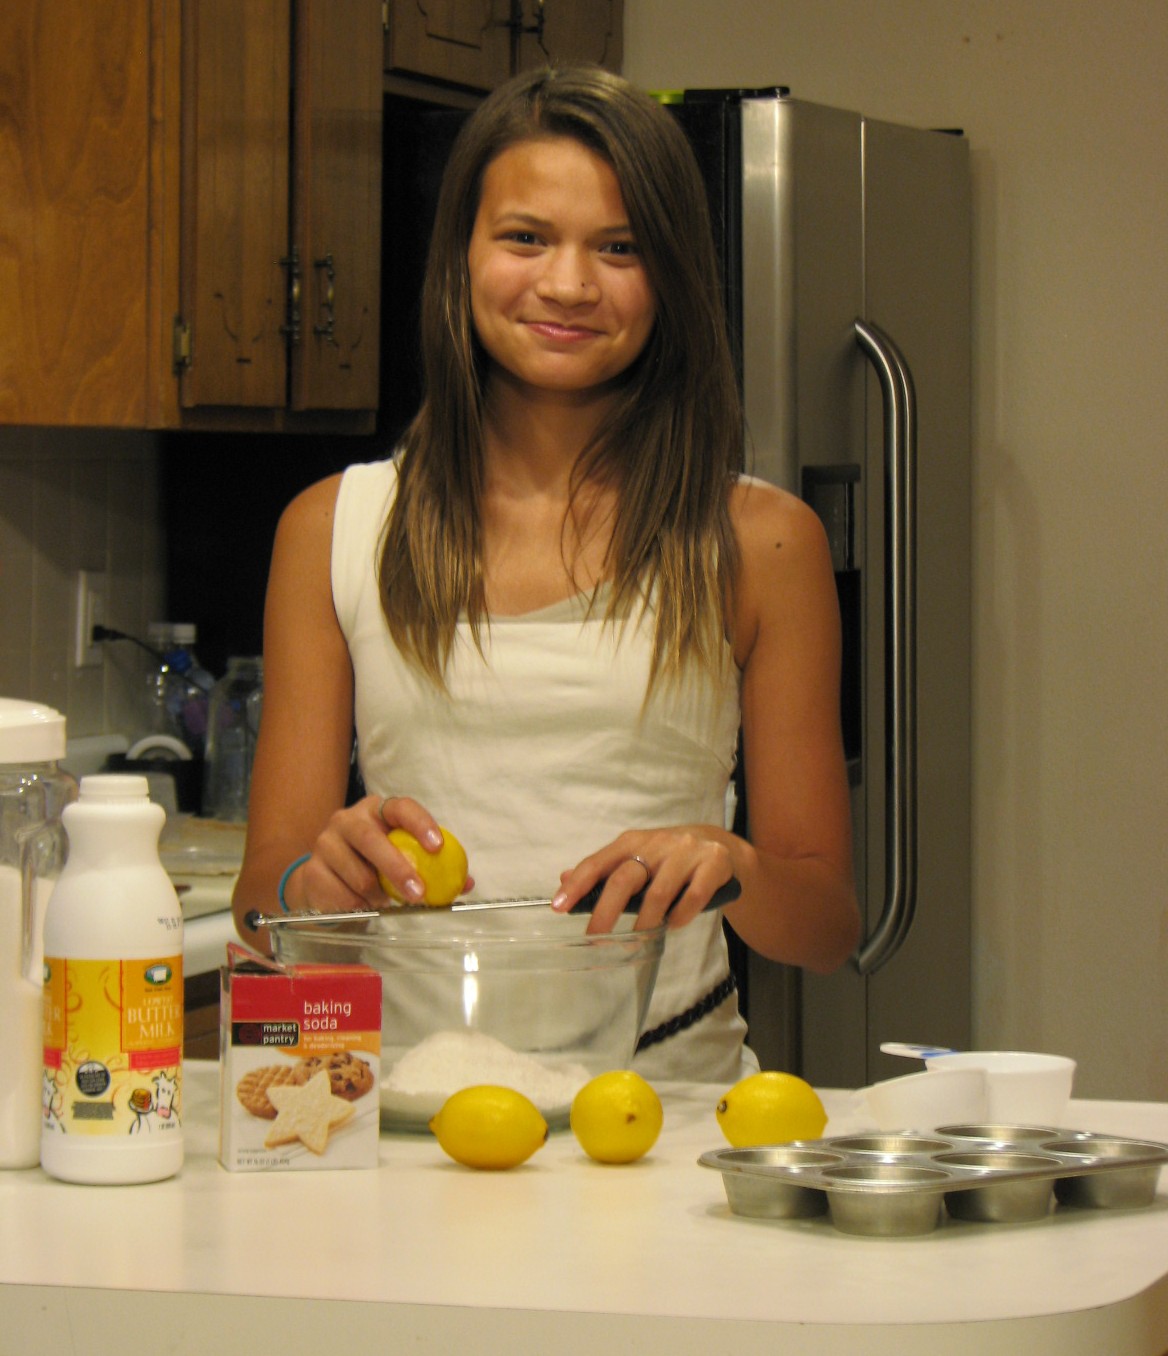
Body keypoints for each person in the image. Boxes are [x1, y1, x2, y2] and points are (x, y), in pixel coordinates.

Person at [233, 64, 860, 1083]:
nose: (568, 285)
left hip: (662, 1112)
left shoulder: (759, 542)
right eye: (525, 237)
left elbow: (826, 929)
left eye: (620, 249)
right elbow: (262, 901)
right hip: (406, 1102)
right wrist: (315, 877)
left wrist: (736, 867)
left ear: (674, 279)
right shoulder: (332, 529)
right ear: (461, 257)